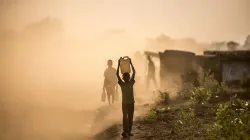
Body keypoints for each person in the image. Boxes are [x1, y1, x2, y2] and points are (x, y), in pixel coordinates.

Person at [116, 57, 136, 138]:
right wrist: (118, 65)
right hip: (125, 103)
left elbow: (134, 72)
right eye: (125, 77)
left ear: (129, 77)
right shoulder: (122, 84)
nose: (127, 78)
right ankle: (125, 131)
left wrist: (131, 63)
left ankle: (129, 131)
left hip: (131, 103)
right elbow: (117, 74)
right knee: (125, 117)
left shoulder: (131, 83)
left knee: (130, 117)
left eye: (128, 77)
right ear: (123, 78)